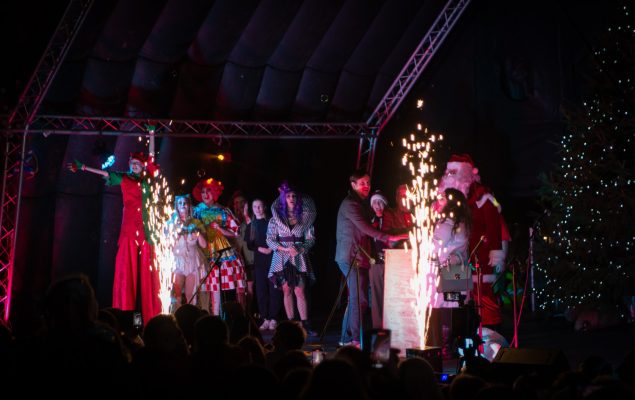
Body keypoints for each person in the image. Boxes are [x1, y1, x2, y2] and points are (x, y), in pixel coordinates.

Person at [68, 152, 161, 325]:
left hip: (148, 232)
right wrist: (83, 167)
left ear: (143, 166)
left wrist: (152, 132)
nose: (134, 165)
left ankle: (151, 320)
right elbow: (105, 174)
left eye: (137, 164)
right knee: (128, 276)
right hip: (129, 231)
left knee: (148, 278)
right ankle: (131, 322)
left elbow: (151, 157)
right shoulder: (124, 178)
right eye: (132, 163)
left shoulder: (148, 178)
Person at [437, 154, 509, 330]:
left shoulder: (482, 197)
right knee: (459, 303)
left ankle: (490, 332)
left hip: (476, 257)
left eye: (455, 172)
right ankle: (465, 335)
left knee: (479, 296)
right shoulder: (445, 203)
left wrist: (496, 252)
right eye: (449, 172)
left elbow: (494, 226)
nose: (450, 176)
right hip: (458, 263)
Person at [335, 170, 406, 347]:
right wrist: (389, 238)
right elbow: (365, 228)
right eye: (362, 183)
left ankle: (347, 337)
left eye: (368, 183)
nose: (366, 186)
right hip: (352, 257)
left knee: (359, 299)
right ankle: (353, 340)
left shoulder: (362, 204)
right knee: (358, 299)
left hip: (361, 257)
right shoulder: (350, 204)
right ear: (353, 185)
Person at [266, 182, 317, 335]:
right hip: (281, 257)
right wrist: (284, 248)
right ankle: (292, 324)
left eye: (294, 196)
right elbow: (270, 239)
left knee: (300, 291)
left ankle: (305, 324)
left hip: (299, 256)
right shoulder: (276, 219)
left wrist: (300, 248)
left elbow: (311, 238)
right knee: (286, 290)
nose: (291, 198)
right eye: (288, 196)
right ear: (283, 198)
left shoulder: (305, 217)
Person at [192, 178, 247, 316]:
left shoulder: (223, 210)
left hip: (222, 250)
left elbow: (236, 231)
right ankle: (214, 318)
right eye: (203, 192)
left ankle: (232, 318)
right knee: (211, 289)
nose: (205, 194)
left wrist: (221, 230)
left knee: (228, 286)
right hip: (203, 249)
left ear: (215, 193)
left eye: (209, 191)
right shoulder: (197, 211)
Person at [245, 198, 282, 331]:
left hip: (273, 258)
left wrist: (271, 248)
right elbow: (250, 244)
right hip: (260, 261)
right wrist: (260, 249)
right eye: (255, 207)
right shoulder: (252, 225)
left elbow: (279, 238)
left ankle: (274, 318)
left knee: (274, 288)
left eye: (260, 206)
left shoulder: (272, 222)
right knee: (261, 290)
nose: (257, 209)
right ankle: (265, 318)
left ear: (264, 207)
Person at [167, 194, 207, 311]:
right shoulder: (171, 222)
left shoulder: (196, 222)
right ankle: (175, 321)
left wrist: (198, 234)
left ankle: (191, 320)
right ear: (176, 206)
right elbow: (167, 245)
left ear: (189, 205)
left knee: (191, 296)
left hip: (192, 261)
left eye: (185, 203)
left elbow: (204, 245)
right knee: (176, 296)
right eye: (180, 203)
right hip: (177, 262)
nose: (183, 205)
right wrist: (174, 235)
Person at [367, 190, 400, 329]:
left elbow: (393, 237)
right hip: (376, 262)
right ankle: (379, 328)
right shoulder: (372, 220)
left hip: (391, 261)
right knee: (377, 297)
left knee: (391, 296)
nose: (377, 205)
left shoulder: (390, 217)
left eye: (380, 202)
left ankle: (392, 327)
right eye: (375, 202)